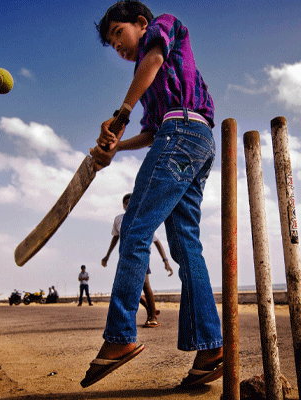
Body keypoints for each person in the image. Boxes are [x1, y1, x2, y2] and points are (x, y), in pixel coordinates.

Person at [81, 0, 223, 388]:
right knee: (185, 245)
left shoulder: (164, 26)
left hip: (183, 135)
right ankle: (211, 348)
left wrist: (120, 113)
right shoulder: (149, 85)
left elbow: (154, 59)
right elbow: (151, 133)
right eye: (111, 43)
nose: (117, 47)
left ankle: (120, 337)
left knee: (135, 228)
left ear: (140, 23)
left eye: (117, 34)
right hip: (195, 140)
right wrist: (115, 146)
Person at [102, 193, 173, 327]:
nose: (128, 204)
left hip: (141, 256)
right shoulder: (118, 219)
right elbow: (116, 237)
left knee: (145, 285)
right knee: (123, 287)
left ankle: (152, 317)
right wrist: (107, 255)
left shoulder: (143, 218)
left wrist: (165, 261)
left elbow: (157, 242)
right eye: (126, 203)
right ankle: (150, 309)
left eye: (131, 202)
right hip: (125, 257)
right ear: (123, 206)